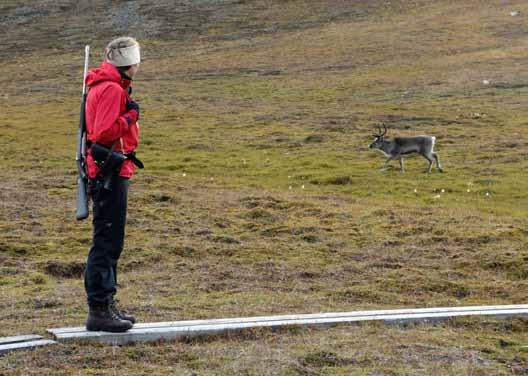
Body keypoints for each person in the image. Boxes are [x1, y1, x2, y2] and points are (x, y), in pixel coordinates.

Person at [83, 36, 142, 332]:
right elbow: (104, 132)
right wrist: (130, 116)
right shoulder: (110, 89)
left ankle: (107, 304)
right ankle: (99, 309)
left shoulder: (107, 86)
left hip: (111, 169)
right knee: (107, 241)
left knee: (110, 240)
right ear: (129, 64)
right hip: (109, 172)